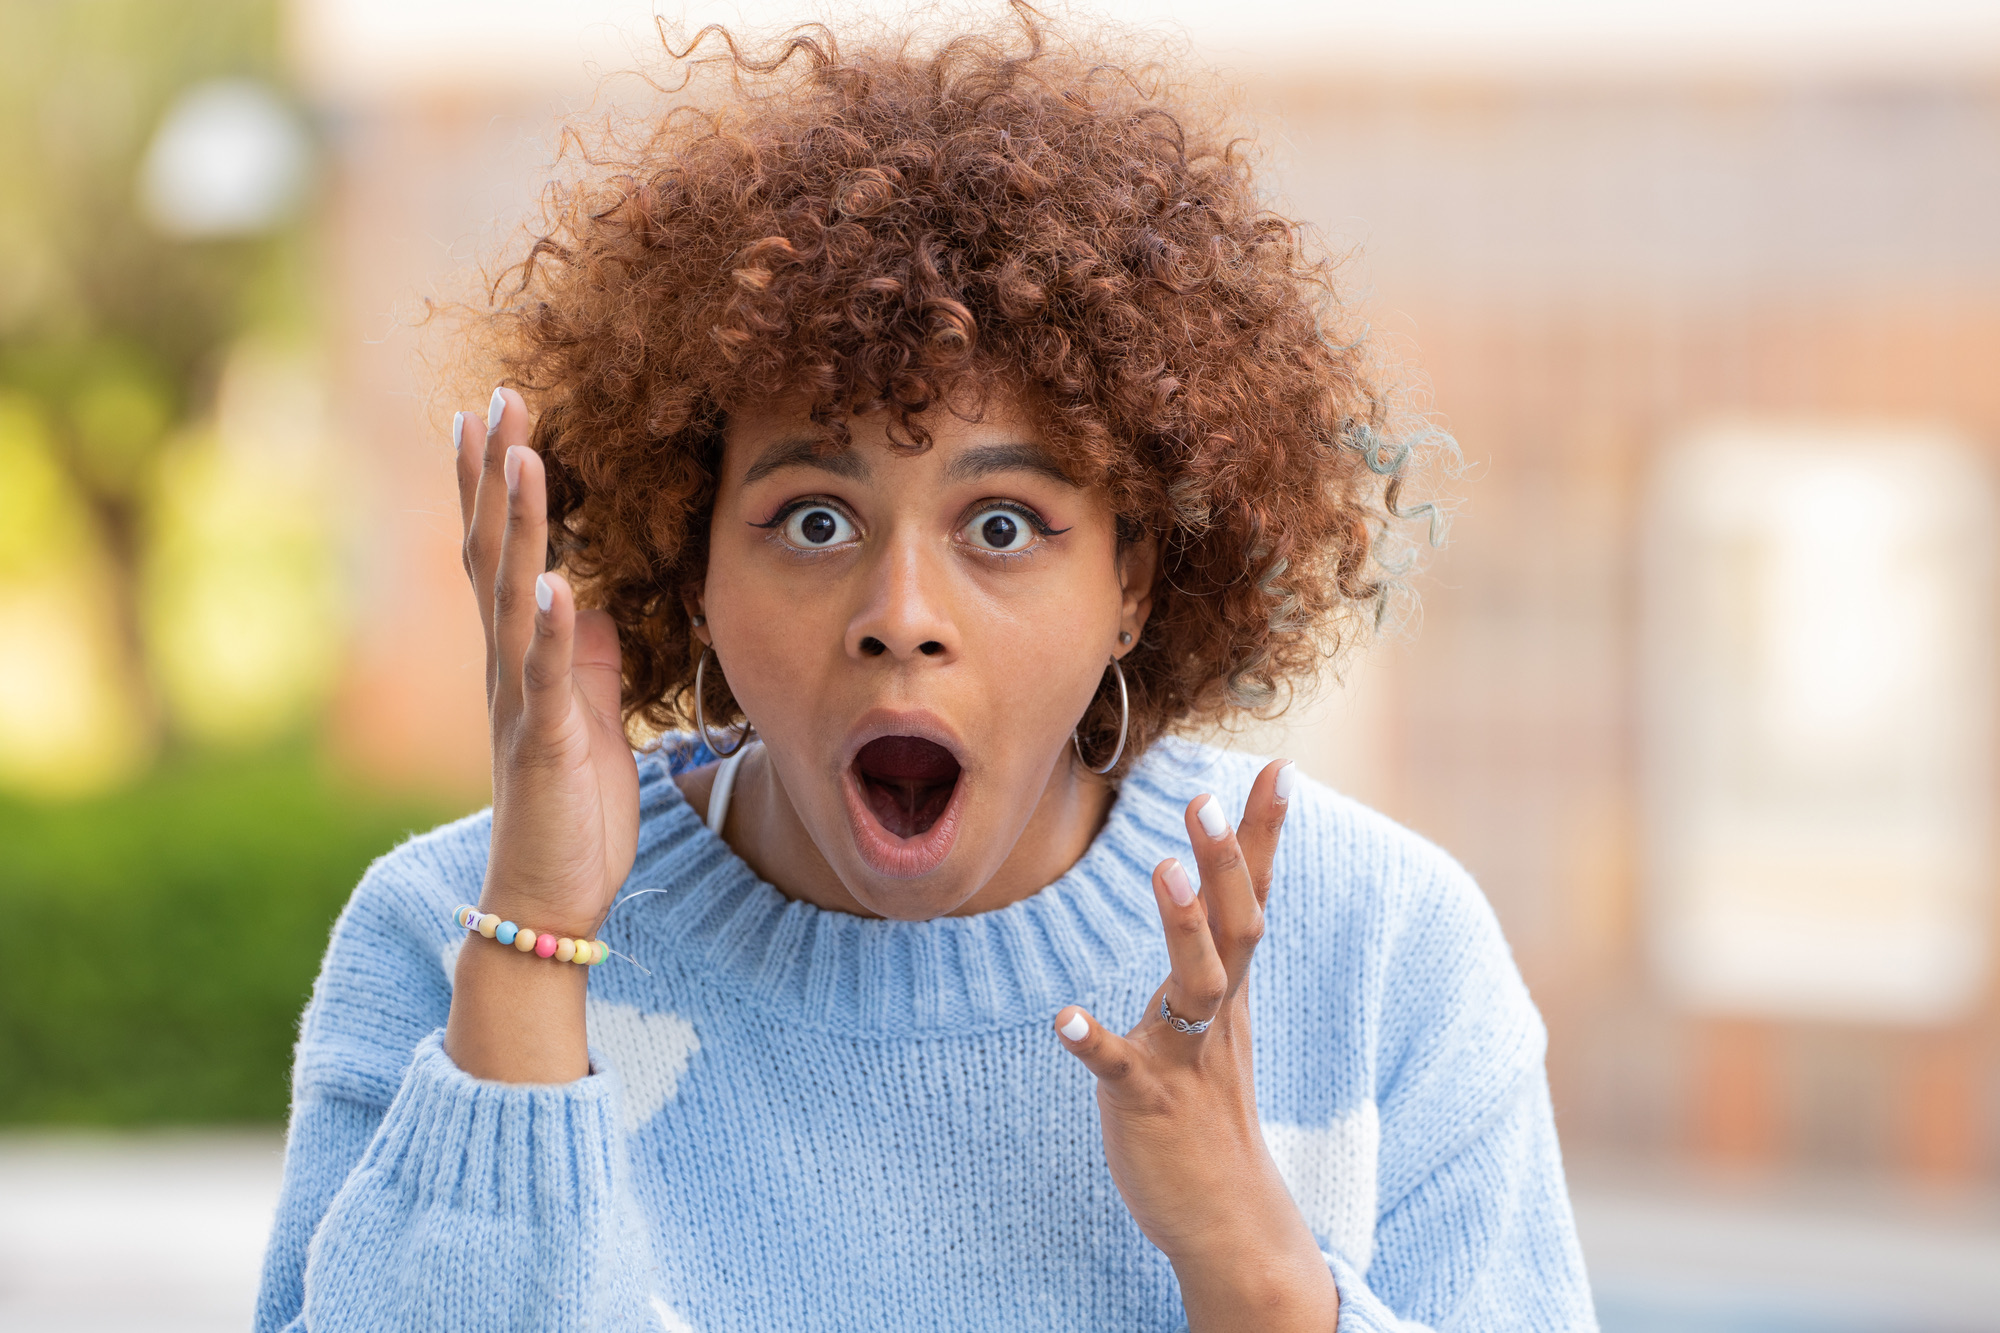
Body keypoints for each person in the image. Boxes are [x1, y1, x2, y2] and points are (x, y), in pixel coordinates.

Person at [255, 10, 1595, 1330]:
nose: (901, 614)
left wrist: (1257, 1272)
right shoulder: (450, 936)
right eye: (815, 520)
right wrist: (537, 951)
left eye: (1002, 526)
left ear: (1130, 580)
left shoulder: (1378, 957)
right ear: (693, 562)